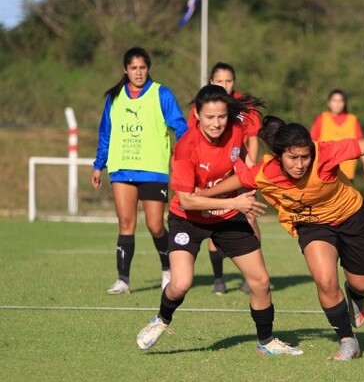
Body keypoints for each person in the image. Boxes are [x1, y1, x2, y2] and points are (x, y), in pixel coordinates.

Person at [200, 115, 364, 360]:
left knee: (362, 284)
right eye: (293, 158)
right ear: (279, 156)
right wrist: (202, 194)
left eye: (305, 157)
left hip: (352, 217)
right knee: (325, 281)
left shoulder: (326, 153)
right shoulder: (265, 173)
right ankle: (347, 340)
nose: (300, 164)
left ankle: (356, 296)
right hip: (313, 227)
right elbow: (235, 181)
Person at [136, 85, 302, 356]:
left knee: (260, 282)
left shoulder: (235, 132)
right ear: (197, 115)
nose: (216, 123)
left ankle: (266, 341)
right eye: (210, 117)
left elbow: (237, 162)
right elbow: (187, 200)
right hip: (187, 219)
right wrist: (234, 202)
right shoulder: (185, 149)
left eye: (222, 117)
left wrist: (246, 184)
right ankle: (161, 320)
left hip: (226, 218)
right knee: (180, 284)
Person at [92, 47, 188, 295]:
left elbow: (181, 127)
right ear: (125, 69)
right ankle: (123, 280)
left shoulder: (161, 94)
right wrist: (98, 164)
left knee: (156, 225)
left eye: (142, 67)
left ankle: (168, 269)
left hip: (153, 170)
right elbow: (106, 133)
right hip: (122, 168)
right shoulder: (114, 98)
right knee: (125, 223)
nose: (138, 72)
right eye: (133, 68)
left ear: (148, 68)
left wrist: (186, 157)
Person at [186, 62, 263, 296]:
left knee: (249, 218)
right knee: (214, 220)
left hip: (238, 172)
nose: (225, 85)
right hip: (212, 174)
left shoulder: (243, 107)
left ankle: (250, 277)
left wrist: (250, 173)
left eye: (228, 81)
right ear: (211, 81)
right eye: (220, 81)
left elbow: (251, 141)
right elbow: (192, 141)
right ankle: (218, 278)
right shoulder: (202, 107)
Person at [310, 89, 364, 181]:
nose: (337, 104)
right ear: (329, 103)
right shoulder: (322, 118)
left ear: (344, 103)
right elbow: (312, 142)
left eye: (340, 101)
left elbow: (362, 144)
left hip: (347, 173)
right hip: (324, 171)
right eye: (334, 100)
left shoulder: (353, 120)